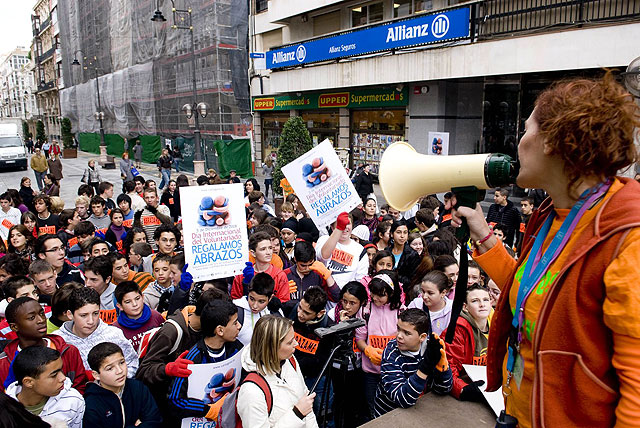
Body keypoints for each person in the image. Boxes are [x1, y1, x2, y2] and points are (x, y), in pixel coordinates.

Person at [448, 74, 640, 427]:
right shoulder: (551, 213)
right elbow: (535, 295)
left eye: (526, 130)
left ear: (552, 140)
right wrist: (483, 235)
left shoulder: (628, 237)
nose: (518, 142)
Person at [136, 289, 224, 425]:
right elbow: (143, 371)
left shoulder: (206, 331)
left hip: (190, 405)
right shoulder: (171, 332)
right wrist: (168, 369)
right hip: (164, 407)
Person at [236, 315, 318, 427]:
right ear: (272, 348)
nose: (296, 344)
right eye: (289, 342)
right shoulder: (251, 391)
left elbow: (306, 404)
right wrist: (297, 414)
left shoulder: (290, 360)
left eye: (294, 338)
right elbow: (302, 409)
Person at [168, 299, 243, 421]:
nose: (239, 326)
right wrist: (207, 410)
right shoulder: (192, 359)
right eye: (235, 323)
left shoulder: (236, 349)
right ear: (220, 330)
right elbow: (175, 401)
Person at [373, 309, 453, 417]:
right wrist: (425, 368)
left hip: (418, 412)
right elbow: (402, 400)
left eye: (406, 333)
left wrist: (442, 368)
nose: (399, 336)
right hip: (389, 415)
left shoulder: (430, 348)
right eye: (398, 329)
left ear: (422, 337)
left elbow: (444, 389)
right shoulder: (391, 353)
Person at [0, 297, 88, 393]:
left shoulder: (68, 351)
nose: (41, 320)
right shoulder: (4, 362)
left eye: (42, 314)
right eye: (31, 318)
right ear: (14, 326)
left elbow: (80, 388)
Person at [52, 287, 139, 377]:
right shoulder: (57, 340)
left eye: (95, 313)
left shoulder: (114, 334)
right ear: (70, 315)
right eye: (83, 315)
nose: (91, 321)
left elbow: (132, 364)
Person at [355, 270, 404, 419]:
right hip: (371, 372)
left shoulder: (400, 311)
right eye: (373, 294)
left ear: (390, 293)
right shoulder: (365, 310)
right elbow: (360, 338)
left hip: (394, 371)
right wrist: (368, 350)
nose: (376, 299)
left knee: (394, 410)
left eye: (381, 295)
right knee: (373, 410)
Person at [84, 342, 163, 427]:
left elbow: (155, 421)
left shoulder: (138, 388)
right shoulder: (91, 404)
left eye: (121, 363)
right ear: (96, 375)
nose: (120, 371)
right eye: (110, 368)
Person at [5, 346, 85, 427]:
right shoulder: (5, 409)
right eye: (54, 375)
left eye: (61, 370)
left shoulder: (73, 400)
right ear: (28, 382)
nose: (63, 378)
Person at [288, 286, 335, 414]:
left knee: (323, 414)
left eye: (307, 313)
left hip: (316, 379)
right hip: (291, 375)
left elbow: (320, 361)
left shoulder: (328, 329)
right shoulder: (292, 310)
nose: (300, 314)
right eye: (300, 308)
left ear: (320, 313)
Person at [441, 284, 491, 402]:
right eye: (475, 301)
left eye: (486, 300)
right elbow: (447, 367)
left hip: (487, 387)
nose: (482, 304)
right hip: (465, 389)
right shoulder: (457, 329)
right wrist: (463, 389)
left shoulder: (496, 325)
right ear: (465, 307)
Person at [230, 232, 290, 303]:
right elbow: (235, 301)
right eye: (263, 249)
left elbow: (284, 303)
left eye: (270, 248)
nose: (268, 252)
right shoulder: (242, 275)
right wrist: (247, 285)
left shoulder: (280, 275)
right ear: (253, 253)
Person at [317, 212, 369, 288]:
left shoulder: (360, 250)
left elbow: (360, 279)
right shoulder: (324, 240)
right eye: (340, 223)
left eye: (348, 223)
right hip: (323, 293)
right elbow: (323, 256)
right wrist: (339, 228)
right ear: (332, 227)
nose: (344, 227)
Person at [112, 281, 165, 351]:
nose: (134, 304)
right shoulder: (116, 329)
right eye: (128, 302)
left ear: (143, 298)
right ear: (120, 306)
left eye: (137, 299)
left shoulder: (156, 316)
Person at [233, 273, 280, 345]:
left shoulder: (275, 312)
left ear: (270, 298)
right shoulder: (235, 311)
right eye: (252, 299)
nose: (254, 306)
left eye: (261, 301)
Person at [407, 271, 453, 336]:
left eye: (430, 293)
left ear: (443, 293)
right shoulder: (416, 304)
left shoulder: (452, 310)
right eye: (423, 291)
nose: (424, 296)